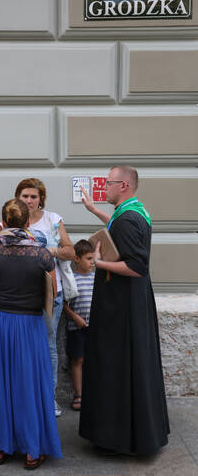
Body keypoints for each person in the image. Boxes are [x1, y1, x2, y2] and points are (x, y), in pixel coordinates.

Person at [79, 165, 170, 456]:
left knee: (118, 367)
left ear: (124, 187)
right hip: (129, 302)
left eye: (108, 183)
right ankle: (132, 432)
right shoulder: (133, 211)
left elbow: (135, 266)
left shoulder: (128, 219)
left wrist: (99, 262)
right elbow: (117, 229)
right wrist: (95, 210)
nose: (103, 187)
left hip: (122, 309)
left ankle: (120, 436)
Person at [0, 199, 62, 469]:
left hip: (0, 322)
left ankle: (0, 448)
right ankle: (32, 451)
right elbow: (54, 292)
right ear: (28, 222)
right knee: (30, 385)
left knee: (1, 384)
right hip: (30, 323)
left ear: (3, 222)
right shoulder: (42, 254)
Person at [63, 240, 94, 412]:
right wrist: (75, 318)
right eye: (89, 258)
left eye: (93, 259)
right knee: (78, 360)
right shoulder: (71, 280)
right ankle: (79, 394)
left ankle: (93, 394)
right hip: (77, 329)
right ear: (76, 258)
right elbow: (64, 305)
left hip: (94, 328)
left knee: (93, 360)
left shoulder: (97, 279)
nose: (92, 262)